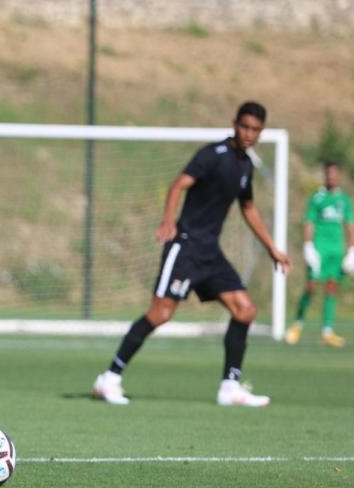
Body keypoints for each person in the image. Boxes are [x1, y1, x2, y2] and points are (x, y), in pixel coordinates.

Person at [92, 102, 292, 407]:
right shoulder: (212, 155)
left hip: (210, 253)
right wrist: (169, 220)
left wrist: (272, 249)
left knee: (245, 310)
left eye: (255, 129)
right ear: (234, 124)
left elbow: (248, 208)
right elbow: (178, 185)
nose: (248, 133)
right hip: (185, 247)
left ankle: (230, 387)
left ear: (261, 131)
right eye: (244, 126)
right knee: (160, 313)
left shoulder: (245, 166)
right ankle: (110, 378)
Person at [286, 161, 354, 347]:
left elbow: (350, 225)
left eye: (335, 174)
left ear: (339, 175)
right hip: (319, 250)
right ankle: (297, 324)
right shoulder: (317, 199)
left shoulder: (345, 201)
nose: (332, 177)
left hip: (336, 251)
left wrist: (353, 249)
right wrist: (308, 246)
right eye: (329, 174)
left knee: (332, 287)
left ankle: (327, 331)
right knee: (311, 286)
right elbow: (309, 222)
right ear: (325, 175)